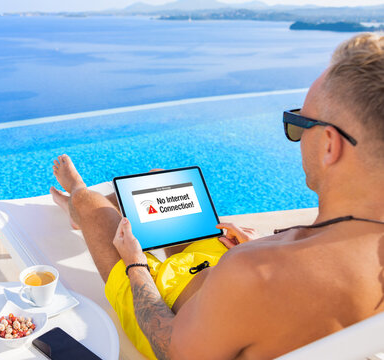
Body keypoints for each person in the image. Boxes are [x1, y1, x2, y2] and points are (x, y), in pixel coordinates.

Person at [49, 32, 384, 360]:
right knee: (161, 184)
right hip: (226, 287)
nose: (295, 135)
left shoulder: (255, 272)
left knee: (89, 202)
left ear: (329, 145)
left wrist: (135, 264)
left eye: (297, 122)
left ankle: (77, 201)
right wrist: (260, 246)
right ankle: (93, 210)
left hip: (181, 309)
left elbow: (173, 349)